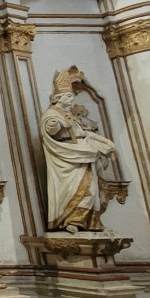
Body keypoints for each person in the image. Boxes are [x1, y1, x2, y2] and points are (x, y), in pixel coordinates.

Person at [40, 87, 115, 233]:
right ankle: (70, 220)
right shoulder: (52, 114)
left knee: (92, 189)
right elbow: (50, 130)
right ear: (57, 98)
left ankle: (87, 221)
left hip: (84, 152)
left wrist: (102, 141)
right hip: (69, 155)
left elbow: (82, 132)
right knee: (72, 190)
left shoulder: (67, 114)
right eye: (68, 96)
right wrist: (63, 123)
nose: (72, 98)